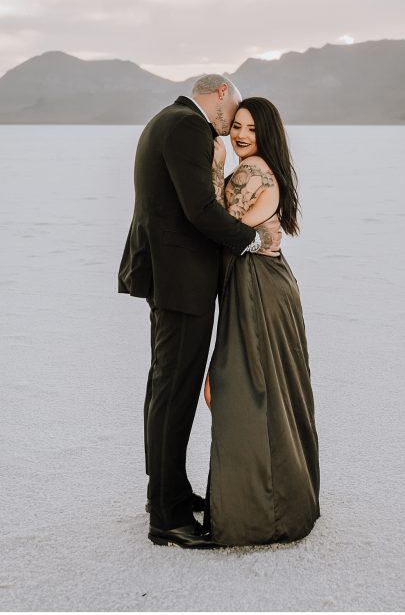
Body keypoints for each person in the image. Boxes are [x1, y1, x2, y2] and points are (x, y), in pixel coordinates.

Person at [117, 74, 279, 549]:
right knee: (175, 393)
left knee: (165, 388)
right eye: (232, 116)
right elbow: (199, 209)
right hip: (181, 279)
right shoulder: (188, 125)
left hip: (170, 276)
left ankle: (169, 493)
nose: (231, 130)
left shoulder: (166, 120)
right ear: (220, 95)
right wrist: (252, 238)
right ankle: (167, 517)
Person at [202, 97, 319, 546]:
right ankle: (283, 504)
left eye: (250, 128)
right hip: (267, 281)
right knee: (273, 390)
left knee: (247, 393)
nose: (240, 135)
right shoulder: (264, 168)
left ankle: (260, 516)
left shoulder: (253, 172)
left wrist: (214, 163)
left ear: (266, 132)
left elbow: (216, 222)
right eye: (236, 126)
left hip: (258, 288)